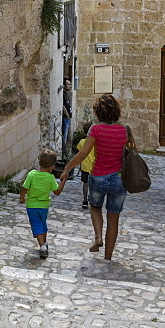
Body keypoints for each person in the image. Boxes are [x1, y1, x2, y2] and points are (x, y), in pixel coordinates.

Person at [60, 94, 129, 261]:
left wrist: (67, 168)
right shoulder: (125, 130)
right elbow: (134, 151)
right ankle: (108, 257)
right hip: (119, 178)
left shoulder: (95, 129)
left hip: (98, 176)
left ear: (98, 112)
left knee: (95, 207)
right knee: (114, 217)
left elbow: (83, 153)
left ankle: (98, 237)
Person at [19, 148, 65, 258]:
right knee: (43, 224)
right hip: (44, 207)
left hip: (32, 206)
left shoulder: (32, 175)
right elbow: (57, 192)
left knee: (36, 225)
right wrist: (63, 181)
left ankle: (42, 246)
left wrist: (22, 198)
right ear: (52, 166)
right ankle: (44, 242)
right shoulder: (50, 178)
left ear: (39, 162)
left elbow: (24, 188)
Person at [76, 120, 94, 209]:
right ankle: (91, 198)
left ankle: (85, 200)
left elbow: (79, 151)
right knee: (93, 184)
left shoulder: (82, 142)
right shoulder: (96, 142)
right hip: (94, 167)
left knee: (85, 183)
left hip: (85, 166)